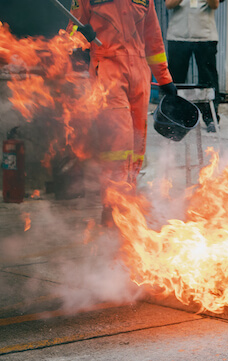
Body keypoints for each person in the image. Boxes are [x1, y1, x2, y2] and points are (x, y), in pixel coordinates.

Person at [69, 0, 177, 227]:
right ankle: (113, 211)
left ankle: (127, 205)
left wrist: (165, 79)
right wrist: (81, 36)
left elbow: (153, 40)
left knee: (137, 145)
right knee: (119, 142)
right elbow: (72, 29)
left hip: (140, 75)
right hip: (107, 69)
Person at [165, 0, 221, 133]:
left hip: (205, 36)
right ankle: (174, 117)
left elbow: (215, 5)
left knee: (208, 79)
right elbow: (168, 4)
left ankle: (211, 118)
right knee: (175, 79)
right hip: (178, 35)